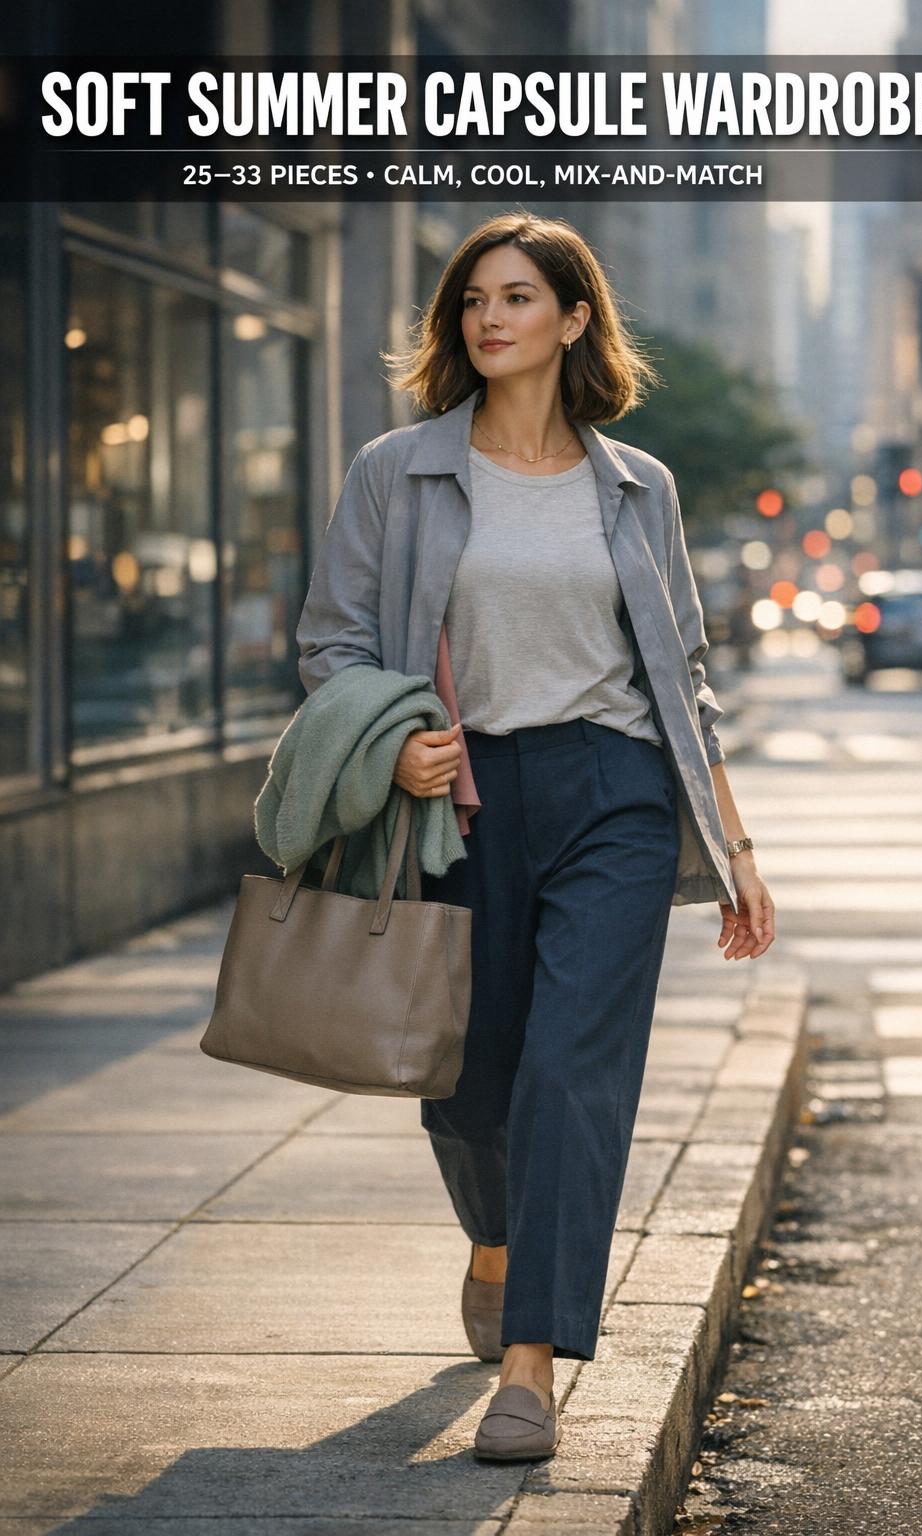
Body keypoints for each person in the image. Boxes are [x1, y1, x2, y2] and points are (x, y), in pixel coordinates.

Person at [295, 211, 775, 1462]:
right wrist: (394, 742)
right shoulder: (397, 471)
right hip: (461, 802)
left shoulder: (637, 488)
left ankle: (531, 1363)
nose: (489, 318)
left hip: (613, 794)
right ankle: (498, 1239)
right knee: (467, 1086)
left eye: (517, 297)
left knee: (574, 1074)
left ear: (574, 320)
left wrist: (734, 847)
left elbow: (685, 676)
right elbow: (330, 641)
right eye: (471, 301)